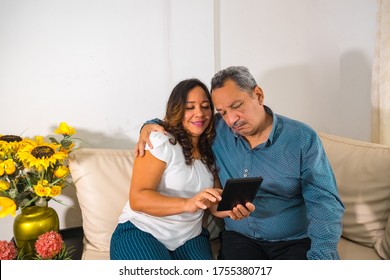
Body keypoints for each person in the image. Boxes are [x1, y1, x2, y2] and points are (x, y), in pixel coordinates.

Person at [135, 66, 345, 260]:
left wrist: (322, 258)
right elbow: (182, 122)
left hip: (292, 242)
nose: (231, 119)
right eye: (223, 112)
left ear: (258, 95)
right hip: (240, 239)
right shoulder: (216, 130)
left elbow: (324, 202)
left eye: (237, 106)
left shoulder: (301, 138)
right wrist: (149, 125)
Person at [110, 78, 223, 260]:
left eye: (205, 106)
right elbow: (138, 198)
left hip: (190, 238)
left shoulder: (211, 150)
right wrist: (188, 203)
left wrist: (236, 207)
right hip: (144, 231)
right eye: (189, 107)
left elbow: (216, 206)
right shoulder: (160, 141)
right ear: (177, 109)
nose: (199, 113)